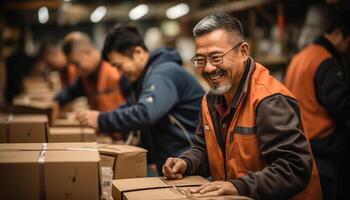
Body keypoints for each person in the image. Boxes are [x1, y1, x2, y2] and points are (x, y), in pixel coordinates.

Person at [162, 13, 322, 200]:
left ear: (243, 52)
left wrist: (239, 187)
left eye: (216, 57)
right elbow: (204, 149)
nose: (208, 68)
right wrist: (187, 162)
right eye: (200, 59)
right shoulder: (211, 99)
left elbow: (293, 168)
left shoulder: (269, 100)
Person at [75, 24, 204, 174]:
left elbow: (145, 113)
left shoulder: (163, 74)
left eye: (119, 65)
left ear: (138, 52)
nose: (119, 72)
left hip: (191, 166)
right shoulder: (143, 79)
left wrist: (101, 120)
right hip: (173, 167)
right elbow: (130, 108)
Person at [284, 6, 350, 200]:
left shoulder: (302, 57)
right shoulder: (325, 60)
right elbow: (341, 105)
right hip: (323, 148)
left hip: (302, 142)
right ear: (339, 34)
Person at [55, 32, 128, 112]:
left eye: (77, 64)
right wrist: (54, 102)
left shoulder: (117, 71)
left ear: (87, 52)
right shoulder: (86, 77)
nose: (76, 70)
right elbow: (68, 93)